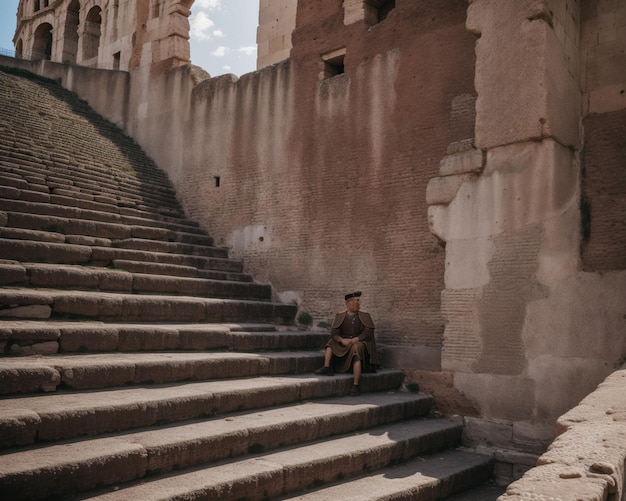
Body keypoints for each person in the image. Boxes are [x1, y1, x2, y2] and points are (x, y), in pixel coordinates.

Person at [315, 291, 379, 395]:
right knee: (331, 342)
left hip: (359, 342)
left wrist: (355, 340)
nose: (357, 304)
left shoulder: (365, 316)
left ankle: (356, 384)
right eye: (354, 302)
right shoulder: (340, 315)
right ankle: (327, 367)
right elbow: (334, 333)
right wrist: (341, 340)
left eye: (358, 301)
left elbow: (368, 333)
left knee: (356, 350)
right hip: (344, 341)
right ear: (348, 303)